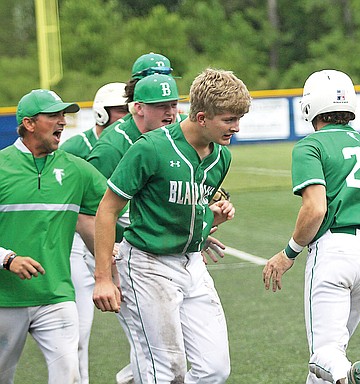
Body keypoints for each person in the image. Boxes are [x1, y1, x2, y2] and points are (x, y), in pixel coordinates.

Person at [92, 68, 252, 383]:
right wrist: (102, 278)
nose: (236, 127)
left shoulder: (221, 157)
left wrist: (209, 219)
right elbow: (107, 210)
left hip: (192, 265)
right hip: (147, 265)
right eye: (229, 120)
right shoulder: (150, 148)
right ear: (202, 117)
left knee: (215, 369)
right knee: (166, 372)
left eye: (239, 119)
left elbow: (191, 204)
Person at [262, 69, 360, 384]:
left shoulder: (311, 146)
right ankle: (344, 373)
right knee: (333, 354)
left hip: (335, 252)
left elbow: (315, 208)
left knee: (325, 355)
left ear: (310, 105)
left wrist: (289, 253)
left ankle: (349, 376)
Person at [0, 89, 107, 384]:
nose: (62, 121)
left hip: (56, 296)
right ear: (29, 124)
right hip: (4, 299)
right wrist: (7, 258)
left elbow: (118, 207)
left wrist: (199, 218)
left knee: (69, 376)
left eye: (64, 115)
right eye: (53, 116)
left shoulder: (76, 170)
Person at [60, 82, 128, 384]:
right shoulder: (75, 147)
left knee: (145, 321)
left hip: (118, 243)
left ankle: (136, 375)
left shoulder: (132, 143)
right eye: (118, 110)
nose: (124, 115)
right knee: (77, 329)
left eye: (127, 109)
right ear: (101, 113)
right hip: (77, 243)